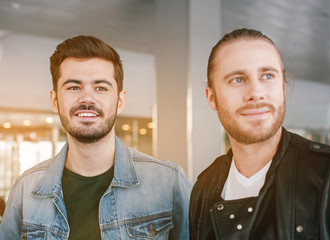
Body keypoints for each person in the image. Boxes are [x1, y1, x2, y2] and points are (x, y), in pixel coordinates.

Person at [0, 35, 191, 239]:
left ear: (120, 100)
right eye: (74, 87)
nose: (87, 99)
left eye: (101, 88)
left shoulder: (168, 183)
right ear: (54, 100)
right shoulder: (25, 191)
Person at [189, 28, 330, 239]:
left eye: (267, 76)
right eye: (238, 79)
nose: (256, 93)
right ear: (211, 97)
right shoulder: (203, 188)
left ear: (283, 86)